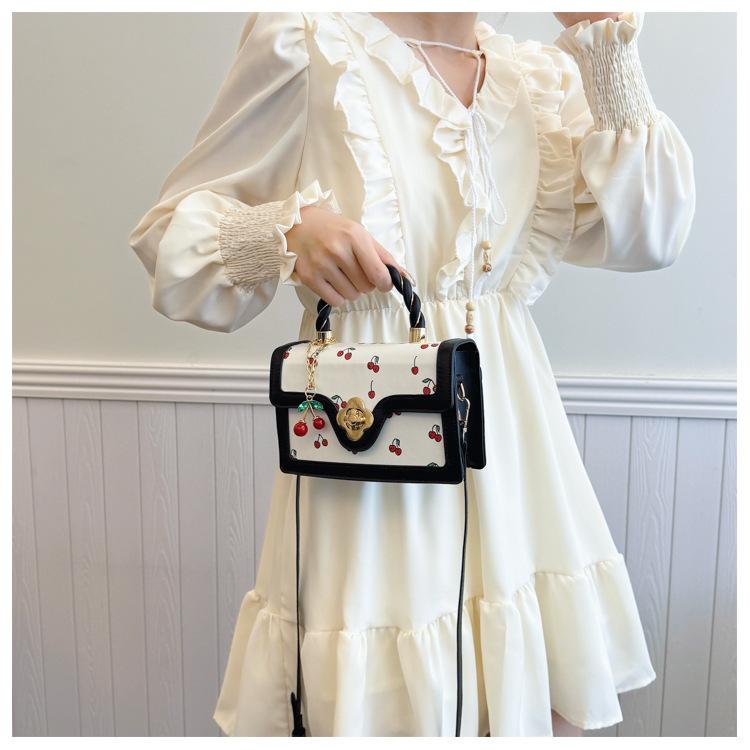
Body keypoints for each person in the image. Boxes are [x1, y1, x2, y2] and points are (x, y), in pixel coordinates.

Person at [127, 11, 695, 737]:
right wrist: (284, 234)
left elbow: (651, 234)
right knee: (384, 710)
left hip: (514, 448)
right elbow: (166, 240)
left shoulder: (537, 77)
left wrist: (605, 40)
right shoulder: (310, 42)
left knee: (533, 703)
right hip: (370, 454)